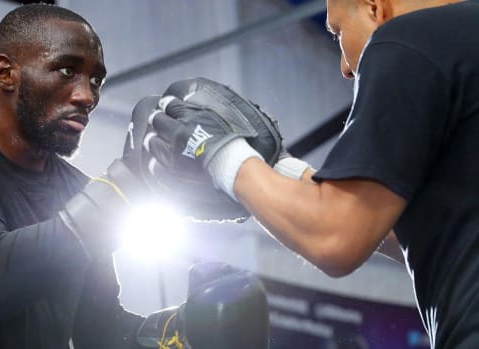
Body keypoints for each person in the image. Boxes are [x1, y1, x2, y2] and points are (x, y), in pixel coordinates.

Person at [0, 4, 270, 349]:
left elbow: (100, 332)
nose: (86, 96)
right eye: (66, 70)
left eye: (96, 80)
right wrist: (132, 179)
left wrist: (180, 331)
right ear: (6, 73)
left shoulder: (82, 192)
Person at [140, 0, 479, 348]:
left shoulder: (408, 40)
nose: (346, 68)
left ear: (375, 7)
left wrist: (217, 152)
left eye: (337, 33)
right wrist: (278, 172)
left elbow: (336, 237)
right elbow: (413, 230)